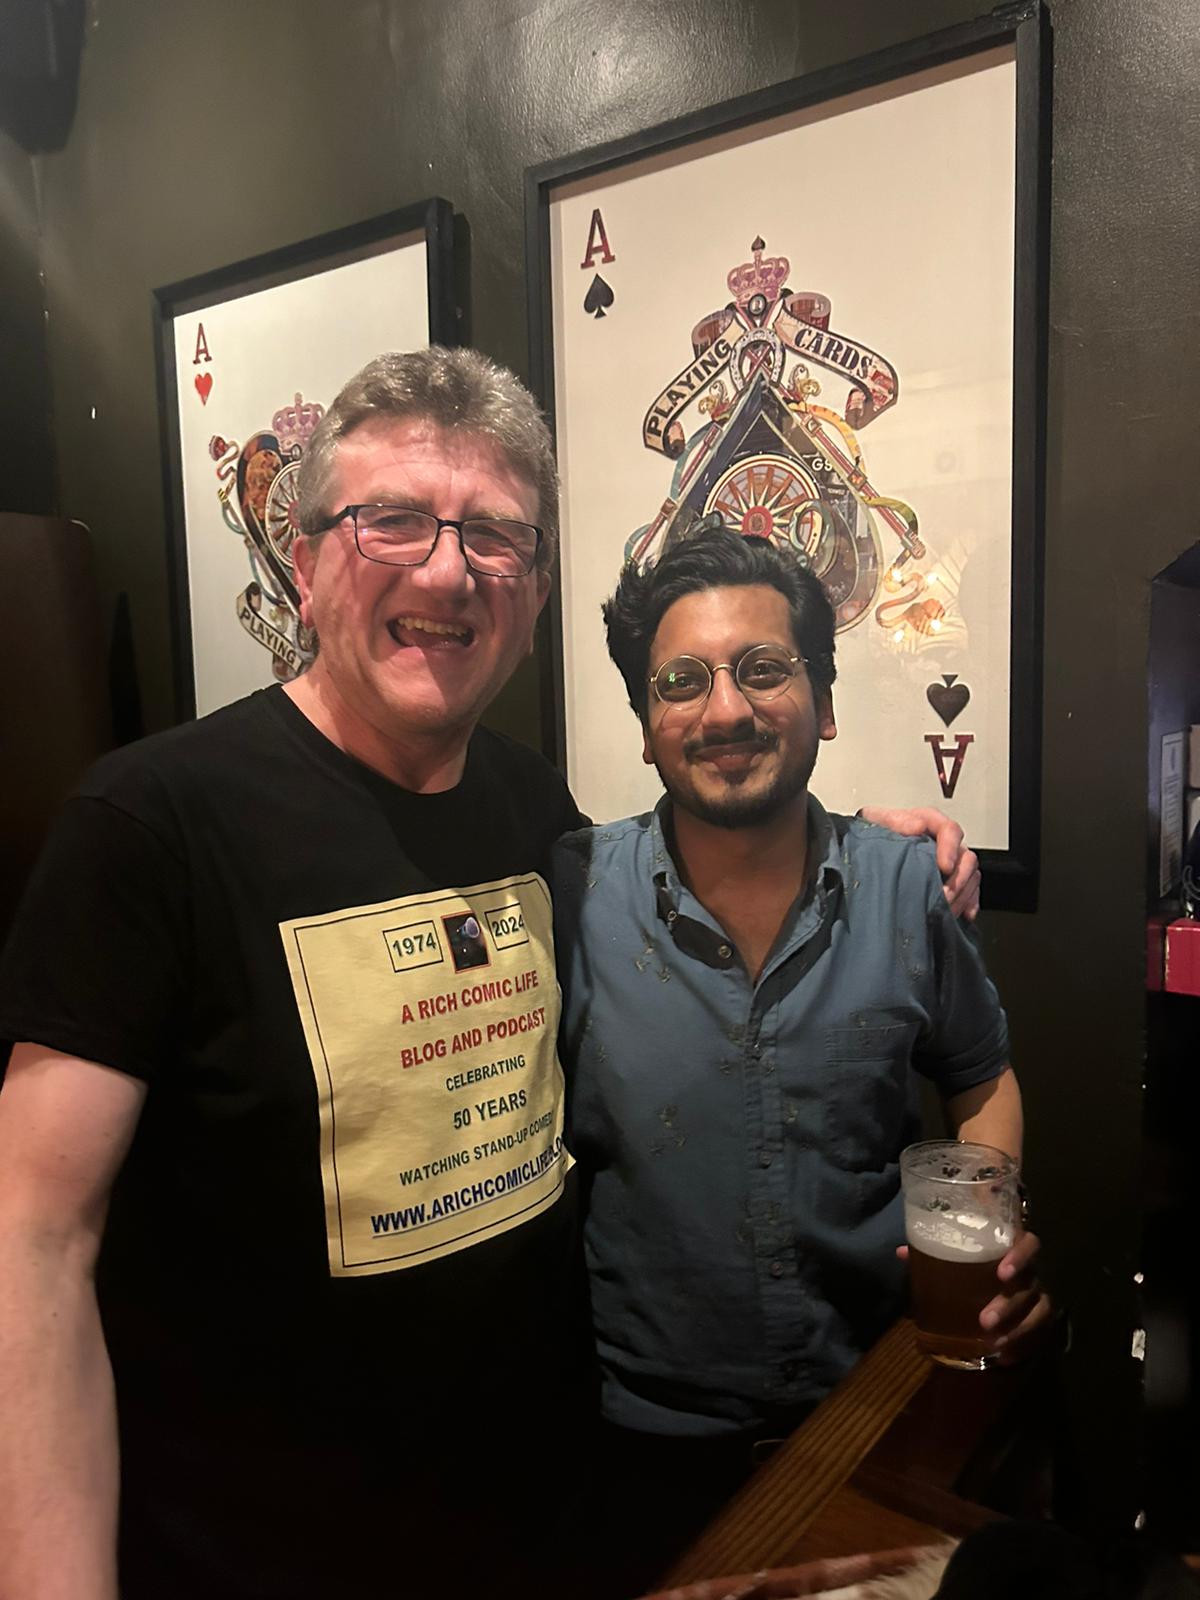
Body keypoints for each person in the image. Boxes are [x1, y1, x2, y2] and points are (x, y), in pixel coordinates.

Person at [0, 348, 978, 1600]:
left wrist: (865, 847)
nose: (447, 570)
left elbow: (706, 873)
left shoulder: (532, 811)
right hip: (266, 1554)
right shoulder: (149, 823)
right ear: (304, 561)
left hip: (553, 1520)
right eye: (392, 520)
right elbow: (34, 1241)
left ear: (534, 591)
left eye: (495, 535)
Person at [552, 529, 1051, 1586]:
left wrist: (990, 1222)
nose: (725, 709)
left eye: (764, 668)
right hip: (645, 1443)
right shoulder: (572, 893)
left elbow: (981, 1074)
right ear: (645, 726)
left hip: (877, 1402)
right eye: (681, 681)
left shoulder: (906, 886)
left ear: (823, 703)